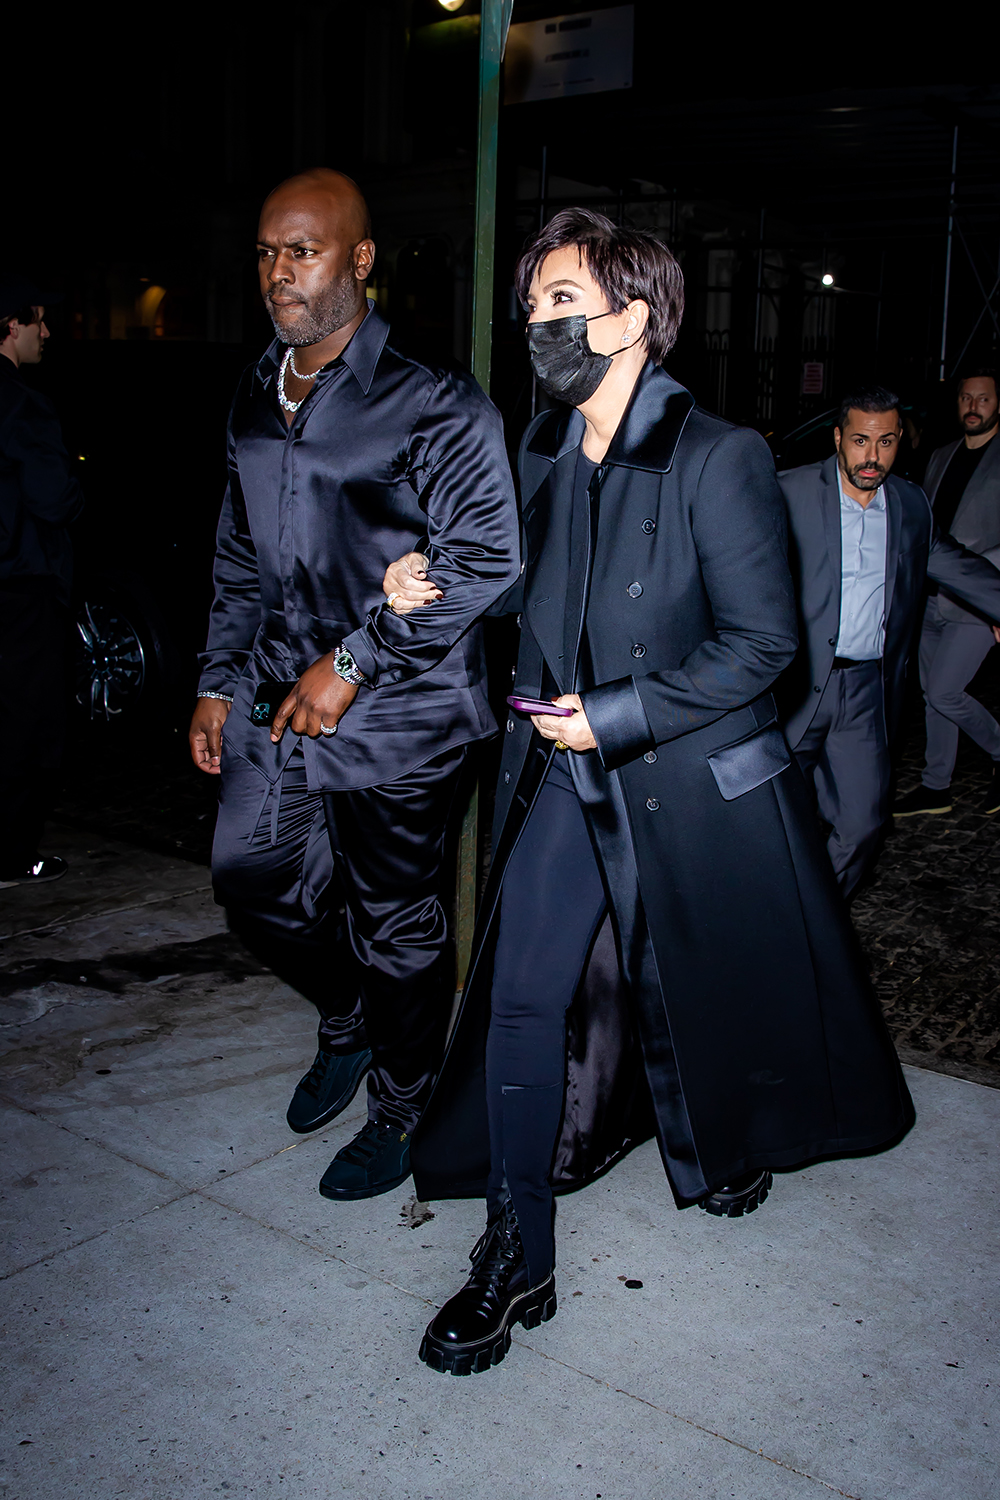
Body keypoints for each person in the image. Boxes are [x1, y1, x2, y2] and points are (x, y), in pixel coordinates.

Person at [384, 210, 913, 1378]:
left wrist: (615, 715)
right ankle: (517, 1250)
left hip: (678, 781)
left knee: (703, 991)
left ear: (633, 318)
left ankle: (732, 1144)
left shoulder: (717, 458)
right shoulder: (537, 450)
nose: (540, 325)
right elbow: (517, 590)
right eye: (532, 307)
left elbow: (763, 646)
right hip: (555, 778)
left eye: (561, 302)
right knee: (522, 997)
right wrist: (427, 579)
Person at [189, 169, 519, 1201]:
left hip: (403, 712)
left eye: (305, 250)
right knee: (248, 878)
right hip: (271, 694)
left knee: (396, 920)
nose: (281, 272)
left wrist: (356, 657)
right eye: (266, 252)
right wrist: (212, 679)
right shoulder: (254, 389)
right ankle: (348, 1024)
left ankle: (406, 1099)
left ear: (360, 260)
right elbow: (240, 556)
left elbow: (489, 557)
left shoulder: (433, 401)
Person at [779, 387, 1000, 898]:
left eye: (885, 443)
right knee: (773, 824)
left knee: (863, 825)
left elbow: (959, 567)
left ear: (900, 441)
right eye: (859, 441)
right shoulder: (788, 492)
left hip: (865, 691)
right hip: (794, 687)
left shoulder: (909, 504)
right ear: (838, 438)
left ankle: (821, 922)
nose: (872, 457)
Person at [0, 276, 83, 887]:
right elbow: (56, 499)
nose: (46, 331)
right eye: (37, 320)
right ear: (10, 325)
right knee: (28, 723)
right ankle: (9, 853)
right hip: (21, 586)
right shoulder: (20, 402)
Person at [894, 370, 1000, 819]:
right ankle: (936, 785)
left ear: (998, 404)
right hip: (932, 598)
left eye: (983, 399)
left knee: (944, 692)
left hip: (979, 602)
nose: (973, 406)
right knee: (930, 694)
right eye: (965, 398)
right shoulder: (940, 455)